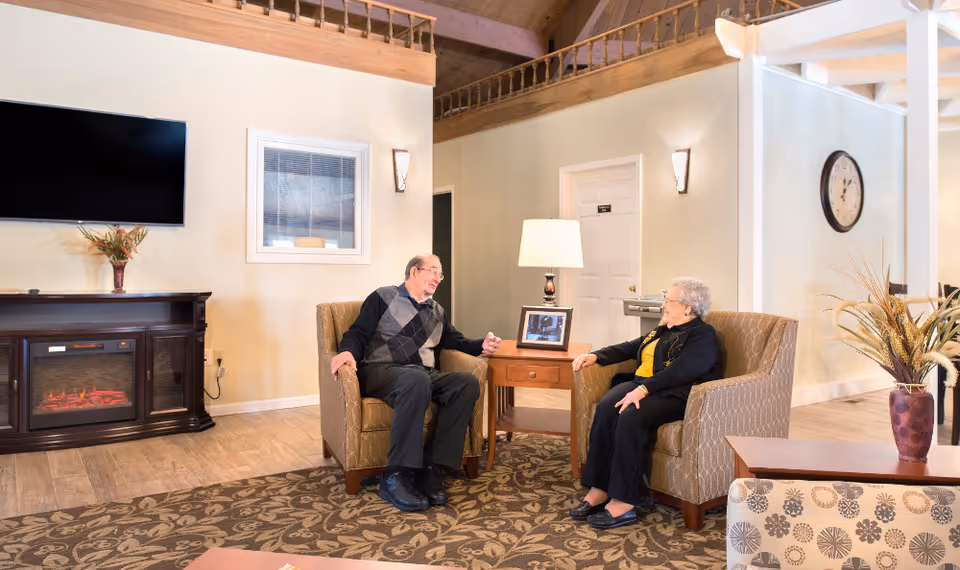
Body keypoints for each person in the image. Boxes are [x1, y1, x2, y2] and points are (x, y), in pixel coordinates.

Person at [330, 254, 502, 512]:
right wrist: (346, 352)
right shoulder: (383, 297)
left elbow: (455, 341)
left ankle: (431, 468)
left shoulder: (436, 311)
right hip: (380, 370)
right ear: (413, 272)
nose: (437, 278)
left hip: (419, 374)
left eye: (440, 274)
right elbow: (358, 332)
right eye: (432, 271)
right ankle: (396, 475)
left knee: (466, 383)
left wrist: (482, 345)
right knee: (416, 378)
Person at [568, 277, 722, 529]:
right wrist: (596, 355)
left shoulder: (701, 333)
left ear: (688, 306)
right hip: (647, 386)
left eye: (668, 301)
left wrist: (644, 389)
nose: (663, 306)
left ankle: (625, 502)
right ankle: (599, 489)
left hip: (678, 394)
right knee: (607, 407)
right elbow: (632, 347)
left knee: (630, 414)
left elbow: (684, 370)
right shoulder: (664, 329)